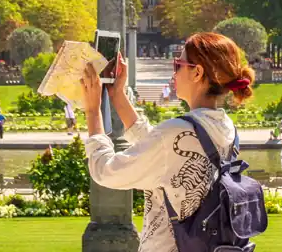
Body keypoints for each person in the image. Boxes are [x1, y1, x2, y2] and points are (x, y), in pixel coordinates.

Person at [80, 32, 253, 252]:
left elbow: (105, 171)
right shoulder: (225, 127)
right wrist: (118, 96)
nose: (174, 73)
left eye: (177, 64)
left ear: (197, 72)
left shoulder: (177, 132)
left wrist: (92, 111)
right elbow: (160, 149)